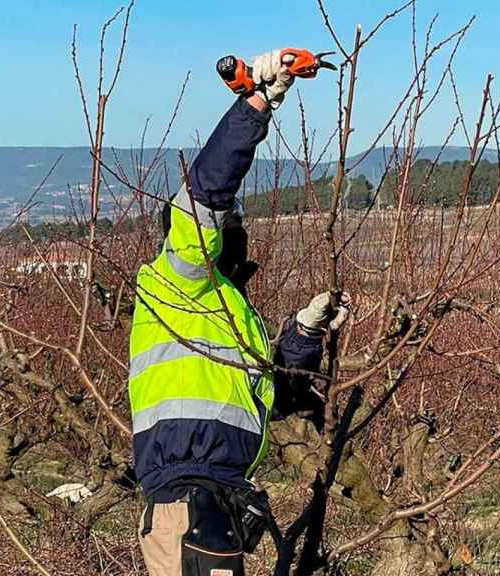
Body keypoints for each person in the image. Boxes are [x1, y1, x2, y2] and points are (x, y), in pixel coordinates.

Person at [128, 49, 348, 576]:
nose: (237, 234)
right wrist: (258, 102)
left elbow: (270, 395)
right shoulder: (176, 279)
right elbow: (206, 190)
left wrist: (302, 333)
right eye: (230, 225)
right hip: (189, 500)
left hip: (216, 500)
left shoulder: (225, 307)